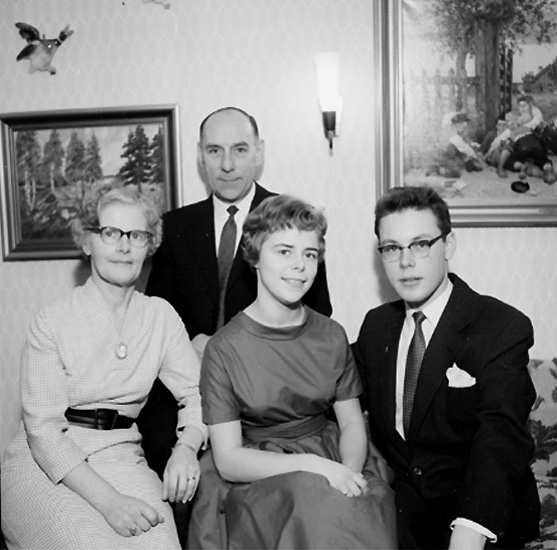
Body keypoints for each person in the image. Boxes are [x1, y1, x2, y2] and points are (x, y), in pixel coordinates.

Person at [0, 184, 206, 549]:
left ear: (150, 245)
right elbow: (43, 431)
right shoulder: (52, 321)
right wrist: (110, 503)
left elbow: (196, 395)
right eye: (110, 232)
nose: (124, 246)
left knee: (161, 544)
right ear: (86, 241)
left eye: (137, 235)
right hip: (47, 464)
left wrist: (187, 447)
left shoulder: (160, 316)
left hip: (120, 455)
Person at [187, 194, 397, 549]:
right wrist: (316, 467)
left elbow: (351, 423)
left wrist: (347, 471)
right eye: (284, 251)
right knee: (314, 506)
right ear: (255, 256)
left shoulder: (331, 335)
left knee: (356, 508)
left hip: (333, 454)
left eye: (310, 254)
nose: (299, 265)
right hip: (258, 472)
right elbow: (229, 460)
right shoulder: (224, 348)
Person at [137, 107, 332, 479]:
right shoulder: (174, 227)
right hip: (191, 390)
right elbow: (156, 318)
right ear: (200, 155)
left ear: (259, 152)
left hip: (269, 397)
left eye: (239, 150)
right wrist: (188, 346)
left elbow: (318, 318)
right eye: (215, 151)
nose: (227, 165)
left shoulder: (293, 219)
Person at [353, 185, 540, 549]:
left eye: (421, 244)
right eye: (392, 248)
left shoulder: (501, 326)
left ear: (448, 245)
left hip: (479, 514)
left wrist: (469, 531)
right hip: (403, 513)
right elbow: (330, 388)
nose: (406, 262)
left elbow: (500, 436)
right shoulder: (376, 326)